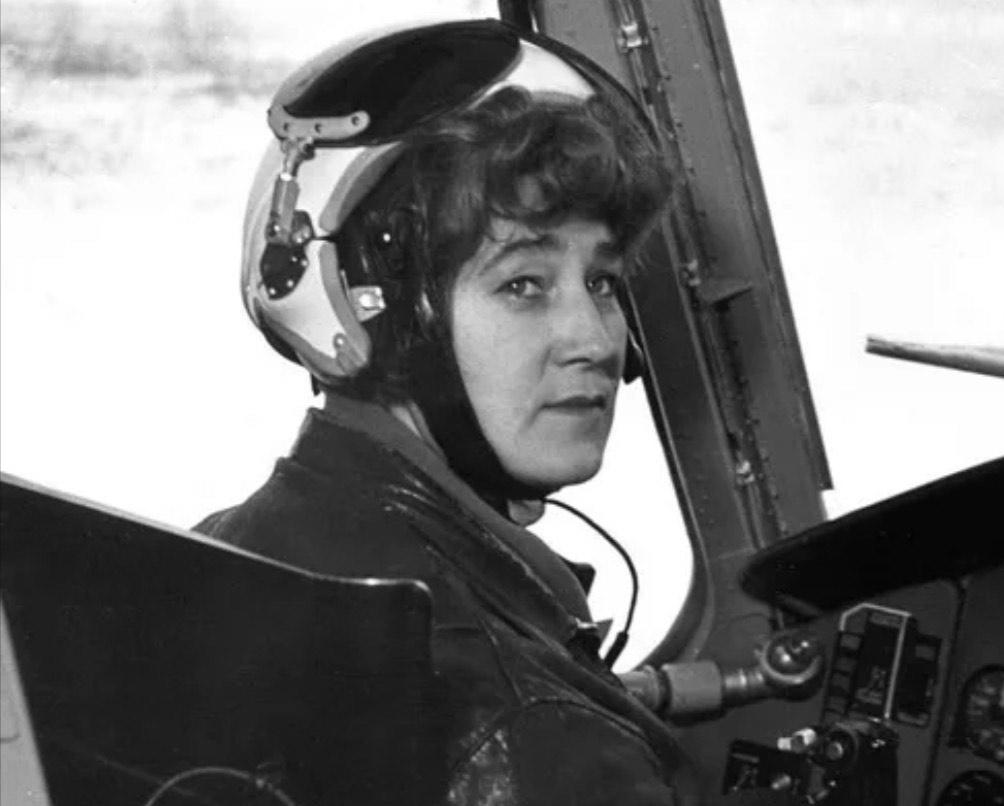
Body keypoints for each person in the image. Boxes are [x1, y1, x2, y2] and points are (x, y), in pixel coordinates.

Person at [196, 18, 701, 805]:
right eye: (524, 284)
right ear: (378, 316)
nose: (597, 340)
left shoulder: (222, 551)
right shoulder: (540, 733)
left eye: (602, 282)